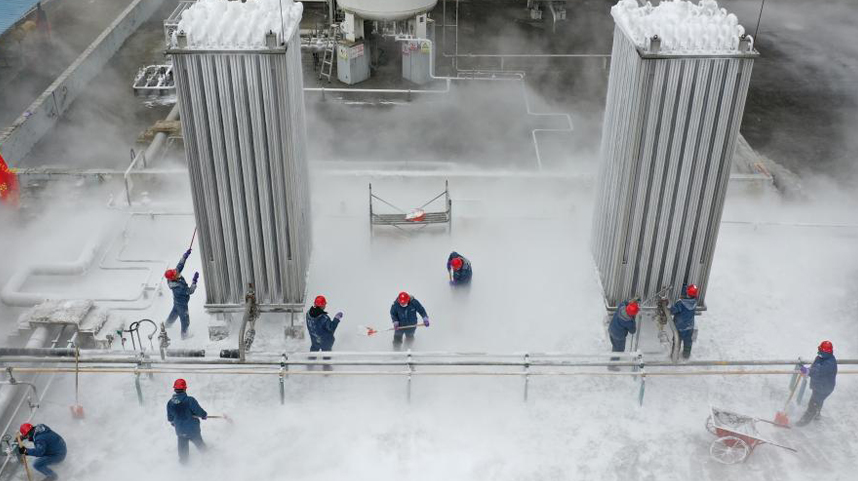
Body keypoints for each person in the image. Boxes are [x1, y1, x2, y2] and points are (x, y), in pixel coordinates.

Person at [796, 341, 838, 426]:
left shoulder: (829, 363)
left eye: (820, 349)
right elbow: (814, 367)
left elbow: (817, 371)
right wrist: (807, 370)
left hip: (824, 388)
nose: (819, 351)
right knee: (818, 400)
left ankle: (802, 423)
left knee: (813, 404)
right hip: (819, 385)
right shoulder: (820, 357)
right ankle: (817, 414)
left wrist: (807, 371)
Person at [166, 379, 208, 463]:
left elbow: (170, 418)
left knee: (182, 449)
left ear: (175, 389)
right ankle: (208, 457)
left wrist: (174, 423)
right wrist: (204, 415)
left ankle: (184, 464)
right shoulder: (190, 400)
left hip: (180, 430)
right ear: (185, 389)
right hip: (192, 430)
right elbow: (198, 411)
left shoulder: (170, 403)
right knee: (199, 443)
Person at [165, 249, 199, 340]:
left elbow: (180, 265)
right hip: (182, 304)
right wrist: (194, 281)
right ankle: (184, 336)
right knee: (185, 321)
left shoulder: (173, 277)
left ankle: (166, 326)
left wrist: (185, 256)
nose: (176, 272)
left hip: (177, 301)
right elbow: (190, 291)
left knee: (174, 313)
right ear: (173, 277)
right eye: (175, 273)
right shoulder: (178, 288)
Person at [306, 295, 343, 370]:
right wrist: (336, 319)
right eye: (324, 304)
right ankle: (326, 370)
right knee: (326, 355)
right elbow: (331, 328)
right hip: (325, 341)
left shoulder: (308, 314)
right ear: (322, 305)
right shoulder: (324, 318)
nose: (325, 305)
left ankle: (309, 368)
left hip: (315, 339)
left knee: (313, 353)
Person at [608, 300, 639, 370]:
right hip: (619, 336)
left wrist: (633, 303)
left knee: (615, 345)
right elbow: (633, 331)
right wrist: (633, 319)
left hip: (611, 329)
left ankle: (613, 354)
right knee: (619, 350)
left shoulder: (621, 307)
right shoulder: (628, 321)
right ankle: (611, 366)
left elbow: (625, 302)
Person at [671, 284, 699, 359]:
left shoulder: (680, 303)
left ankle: (674, 356)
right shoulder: (695, 302)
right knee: (688, 342)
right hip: (690, 326)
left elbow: (673, 311)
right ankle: (686, 355)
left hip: (680, 327)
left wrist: (671, 307)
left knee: (677, 341)